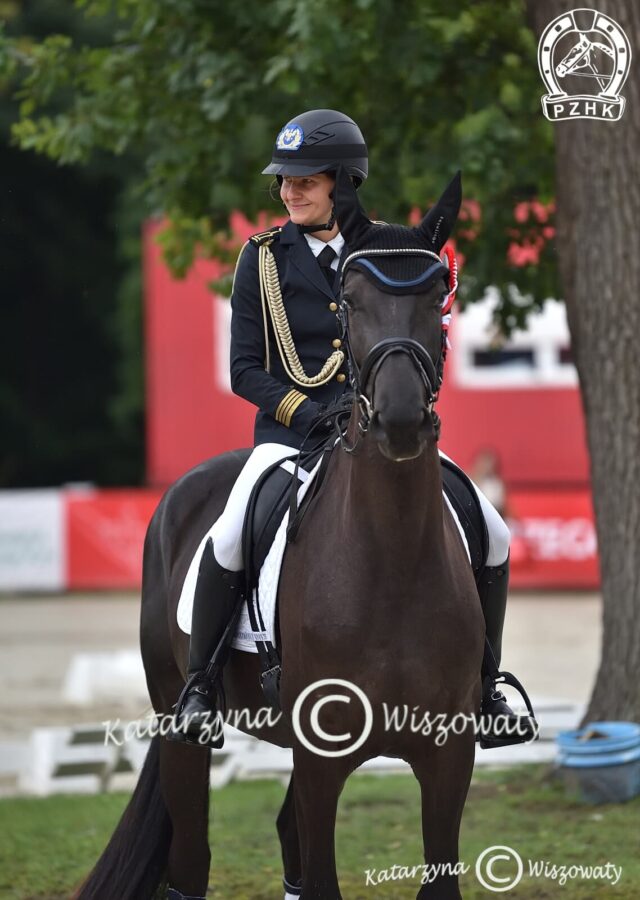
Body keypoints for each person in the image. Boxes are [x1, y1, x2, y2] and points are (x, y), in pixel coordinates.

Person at [171, 109, 535, 751]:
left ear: (344, 181)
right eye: (284, 181)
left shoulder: (389, 248)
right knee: (229, 535)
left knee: (495, 531)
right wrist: (308, 413)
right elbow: (244, 369)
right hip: (290, 437)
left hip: (379, 433)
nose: (290, 192)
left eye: (306, 180)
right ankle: (200, 686)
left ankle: (486, 688)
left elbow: (420, 335)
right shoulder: (260, 259)